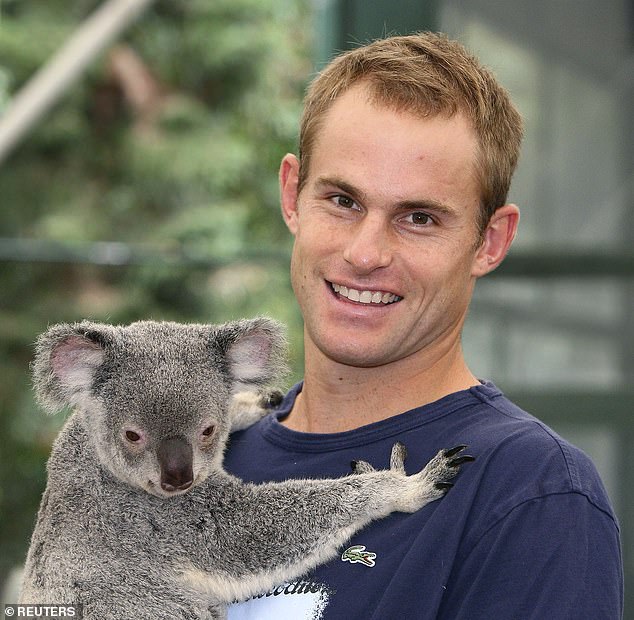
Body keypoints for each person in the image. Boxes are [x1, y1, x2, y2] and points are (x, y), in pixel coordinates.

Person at [223, 32, 623, 619]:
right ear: (292, 194)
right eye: (342, 201)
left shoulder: (529, 495)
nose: (365, 253)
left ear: (490, 241)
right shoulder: (200, 458)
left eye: (418, 218)